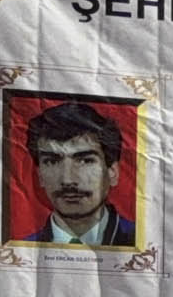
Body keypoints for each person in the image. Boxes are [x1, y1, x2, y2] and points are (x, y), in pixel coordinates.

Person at [19, 100, 137, 247]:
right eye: (52, 161)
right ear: (40, 175)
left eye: (85, 161)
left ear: (112, 172)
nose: (67, 180)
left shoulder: (145, 244)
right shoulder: (19, 250)